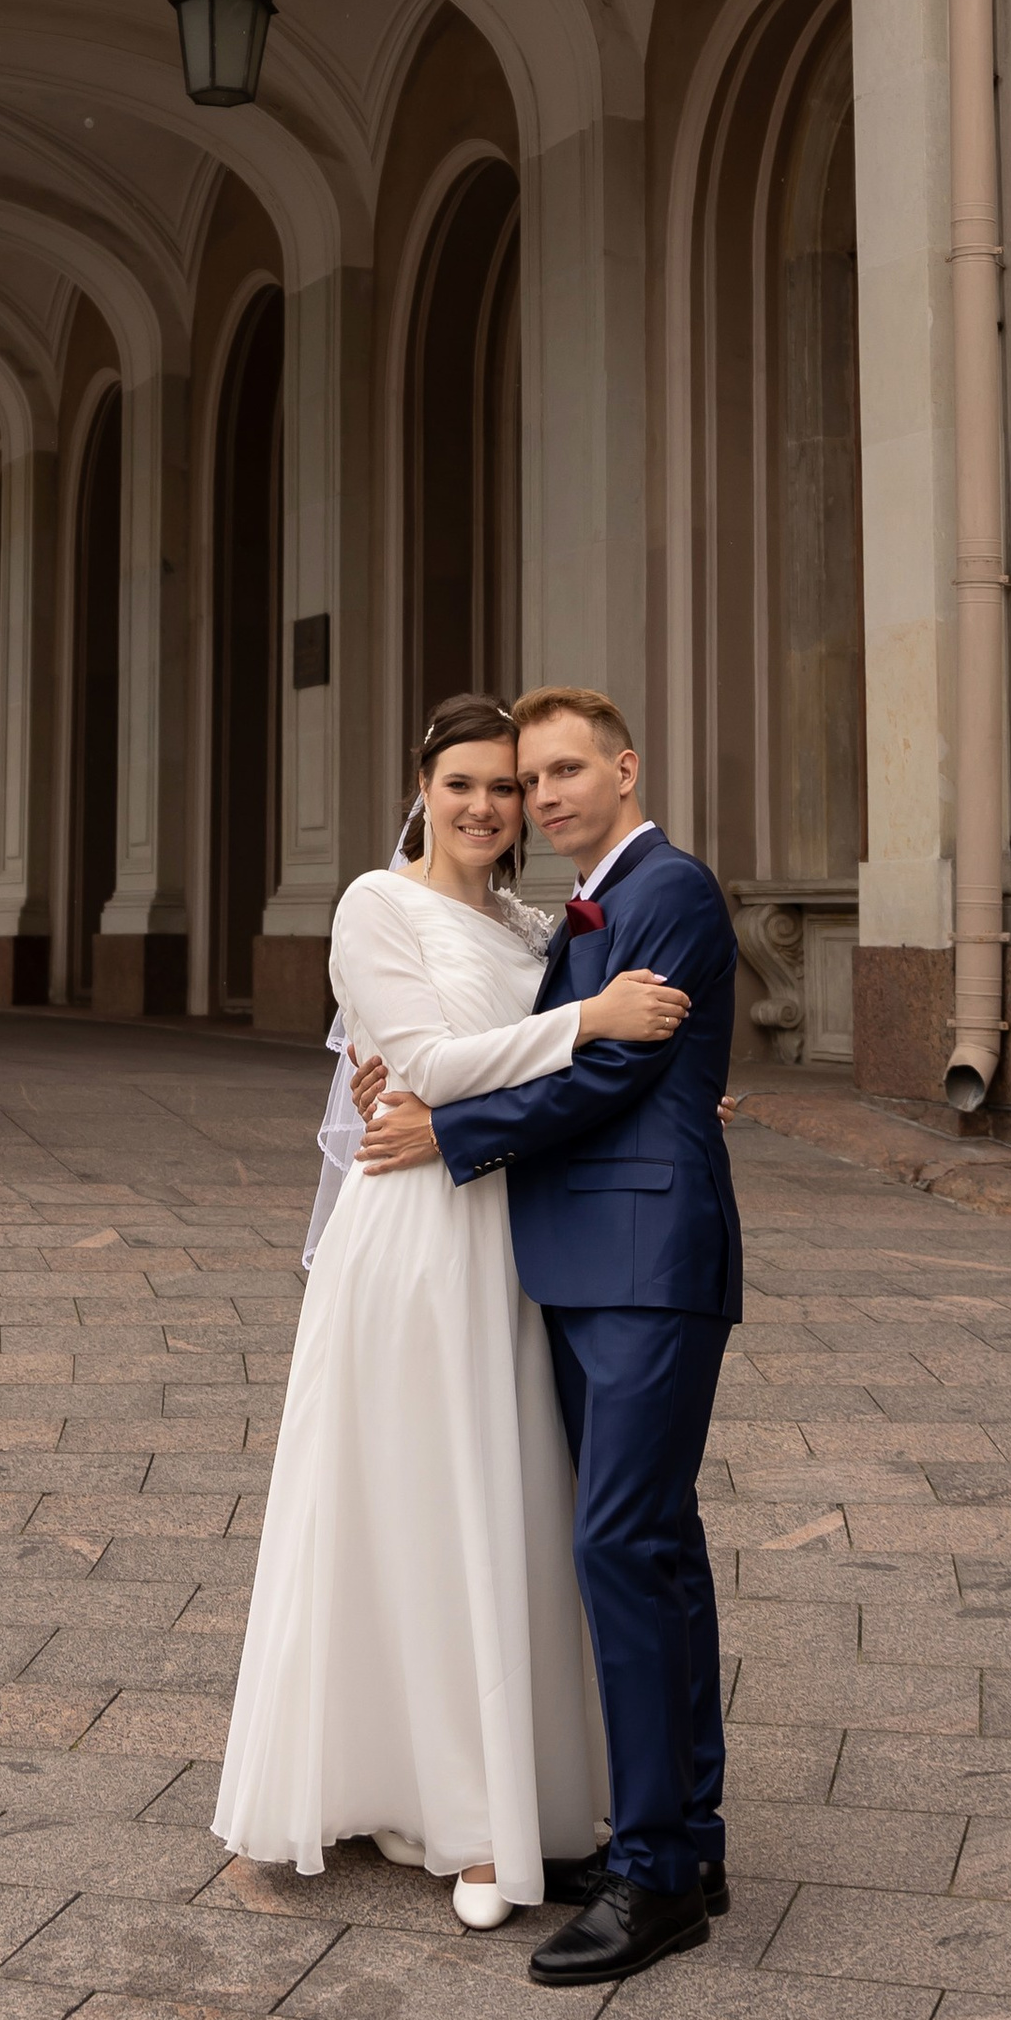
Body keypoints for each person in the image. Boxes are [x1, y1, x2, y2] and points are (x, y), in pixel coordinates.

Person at [214, 693, 688, 1925]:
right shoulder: (376, 907)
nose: (488, 806)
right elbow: (420, 1068)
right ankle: (446, 1810)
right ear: (421, 789)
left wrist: (656, 1086)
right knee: (415, 1498)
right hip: (415, 1234)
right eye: (464, 783)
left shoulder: (536, 925)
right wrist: (590, 1018)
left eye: (508, 786)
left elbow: (571, 1078)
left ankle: (508, 1798)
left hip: (513, 1230)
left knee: (507, 1503)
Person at [359, 685, 741, 1990]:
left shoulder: (667, 889)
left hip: (643, 1260)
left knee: (620, 1545)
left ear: (627, 768)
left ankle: (652, 1880)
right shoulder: (576, 913)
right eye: (535, 777)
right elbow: (511, 1041)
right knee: (653, 1547)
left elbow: (609, 1074)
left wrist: (446, 1134)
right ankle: (684, 1839)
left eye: (567, 769)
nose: (547, 794)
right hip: (579, 1258)